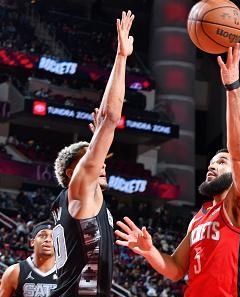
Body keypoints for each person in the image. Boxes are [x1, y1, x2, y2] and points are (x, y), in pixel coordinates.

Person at [116, 43, 240, 296]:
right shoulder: (199, 217)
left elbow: (239, 153)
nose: (212, 166)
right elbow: (175, 269)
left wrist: (232, 88)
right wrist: (150, 251)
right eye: (211, 163)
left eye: (221, 162)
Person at [50, 10, 135, 297]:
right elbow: (111, 117)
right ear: (72, 172)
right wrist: (121, 58)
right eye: (91, 161)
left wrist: (97, 139)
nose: (101, 164)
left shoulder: (76, 198)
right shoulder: (79, 189)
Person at [0, 221, 57, 297]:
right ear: (32, 242)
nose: (48, 240)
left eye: (53, 237)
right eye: (42, 235)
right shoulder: (14, 272)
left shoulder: (67, 273)